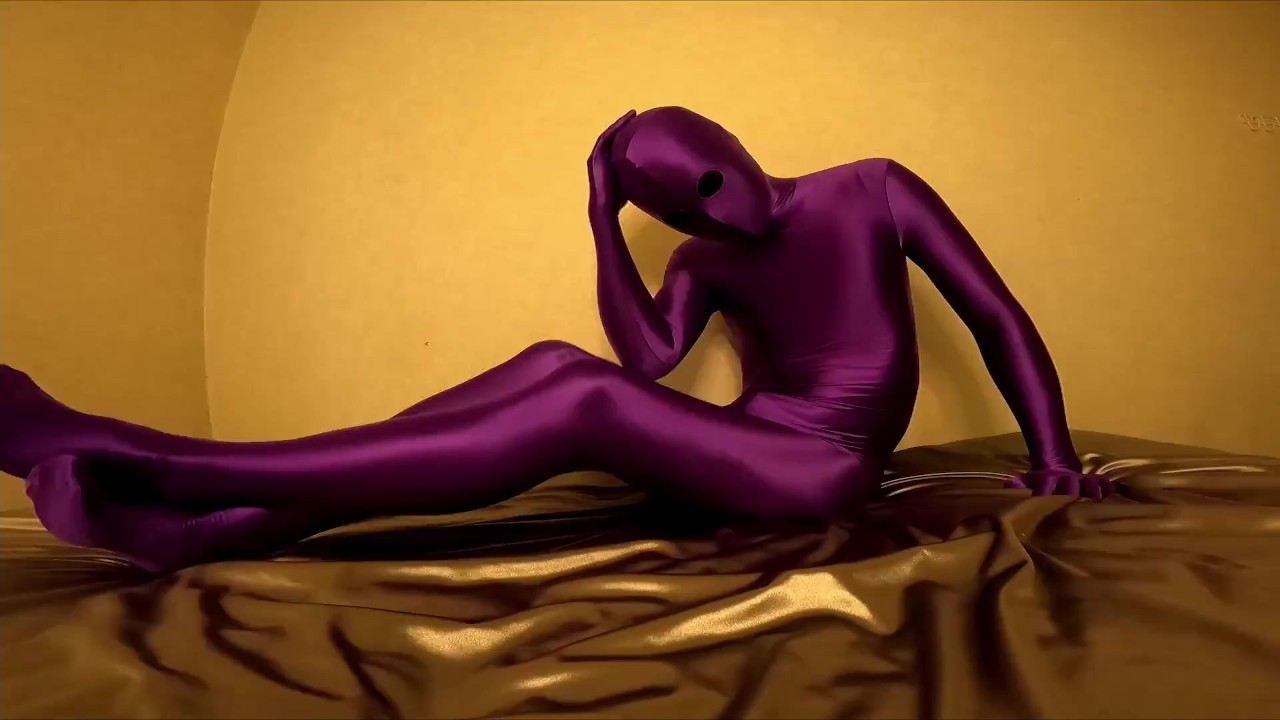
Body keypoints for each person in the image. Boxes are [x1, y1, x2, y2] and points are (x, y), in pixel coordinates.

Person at [0, 107, 1111, 571]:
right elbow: (648, 361)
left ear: (729, 145)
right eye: (682, 210)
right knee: (552, 365)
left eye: (709, 184)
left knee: (578, 398)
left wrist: (1054, 454)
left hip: (824, 468)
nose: (717, 216)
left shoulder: (871, 189)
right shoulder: (701, 261)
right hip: (742, 452)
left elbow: (993, 315)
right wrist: (599, 219)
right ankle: (214, 529)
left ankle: (157, 458)